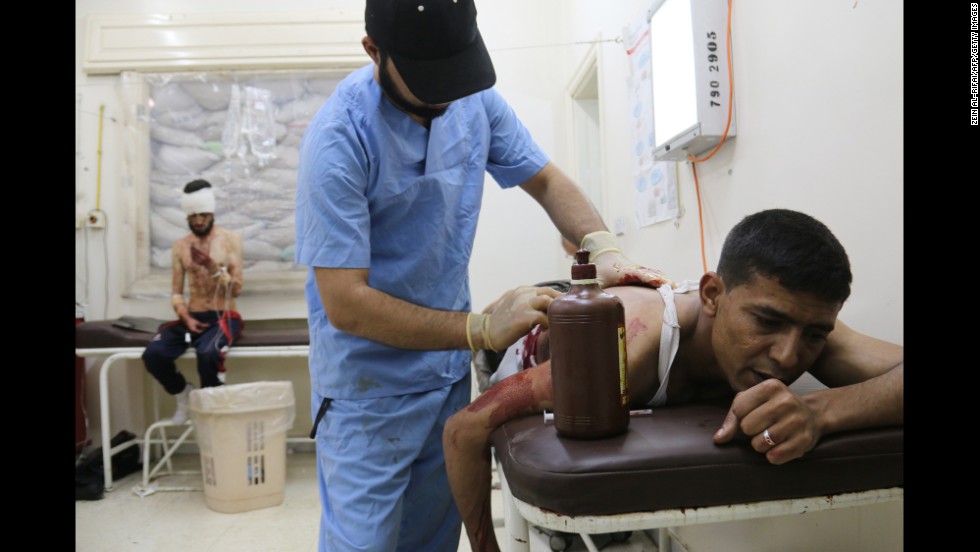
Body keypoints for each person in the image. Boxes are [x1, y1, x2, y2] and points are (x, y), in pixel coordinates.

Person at [293, 1, 667, 550]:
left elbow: (545, 181)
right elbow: (345, 302)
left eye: (456, 72)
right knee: (364, 542)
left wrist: (602, 246)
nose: (447, 93)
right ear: (375, 51)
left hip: (442, 378)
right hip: (365, 393)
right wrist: (479, 329)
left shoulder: (474, 101)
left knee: (432, 538)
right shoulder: (339, 138)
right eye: (430, 79)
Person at [443, 208, 904, 552]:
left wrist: (822, 412)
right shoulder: (625, 348)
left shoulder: (806, 327)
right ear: (712, 295)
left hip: (629, 311)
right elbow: (462, 430)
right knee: (539, 308)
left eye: (814, 335)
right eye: (765, 322)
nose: (788, 356)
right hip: (535, 338)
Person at [142, 179, 244, 424]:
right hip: (192, 317)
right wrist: (185, 315)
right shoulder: (180, 246)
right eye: (193, 216)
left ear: (212, 213)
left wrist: (213, 268)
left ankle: (212, 415)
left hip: (223, 316)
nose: (198, 221)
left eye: (203, 215)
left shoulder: (230, 240)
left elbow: (237, 289)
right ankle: (182, 393)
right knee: (153, 354)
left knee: (208, 353)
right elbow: (177, 293)